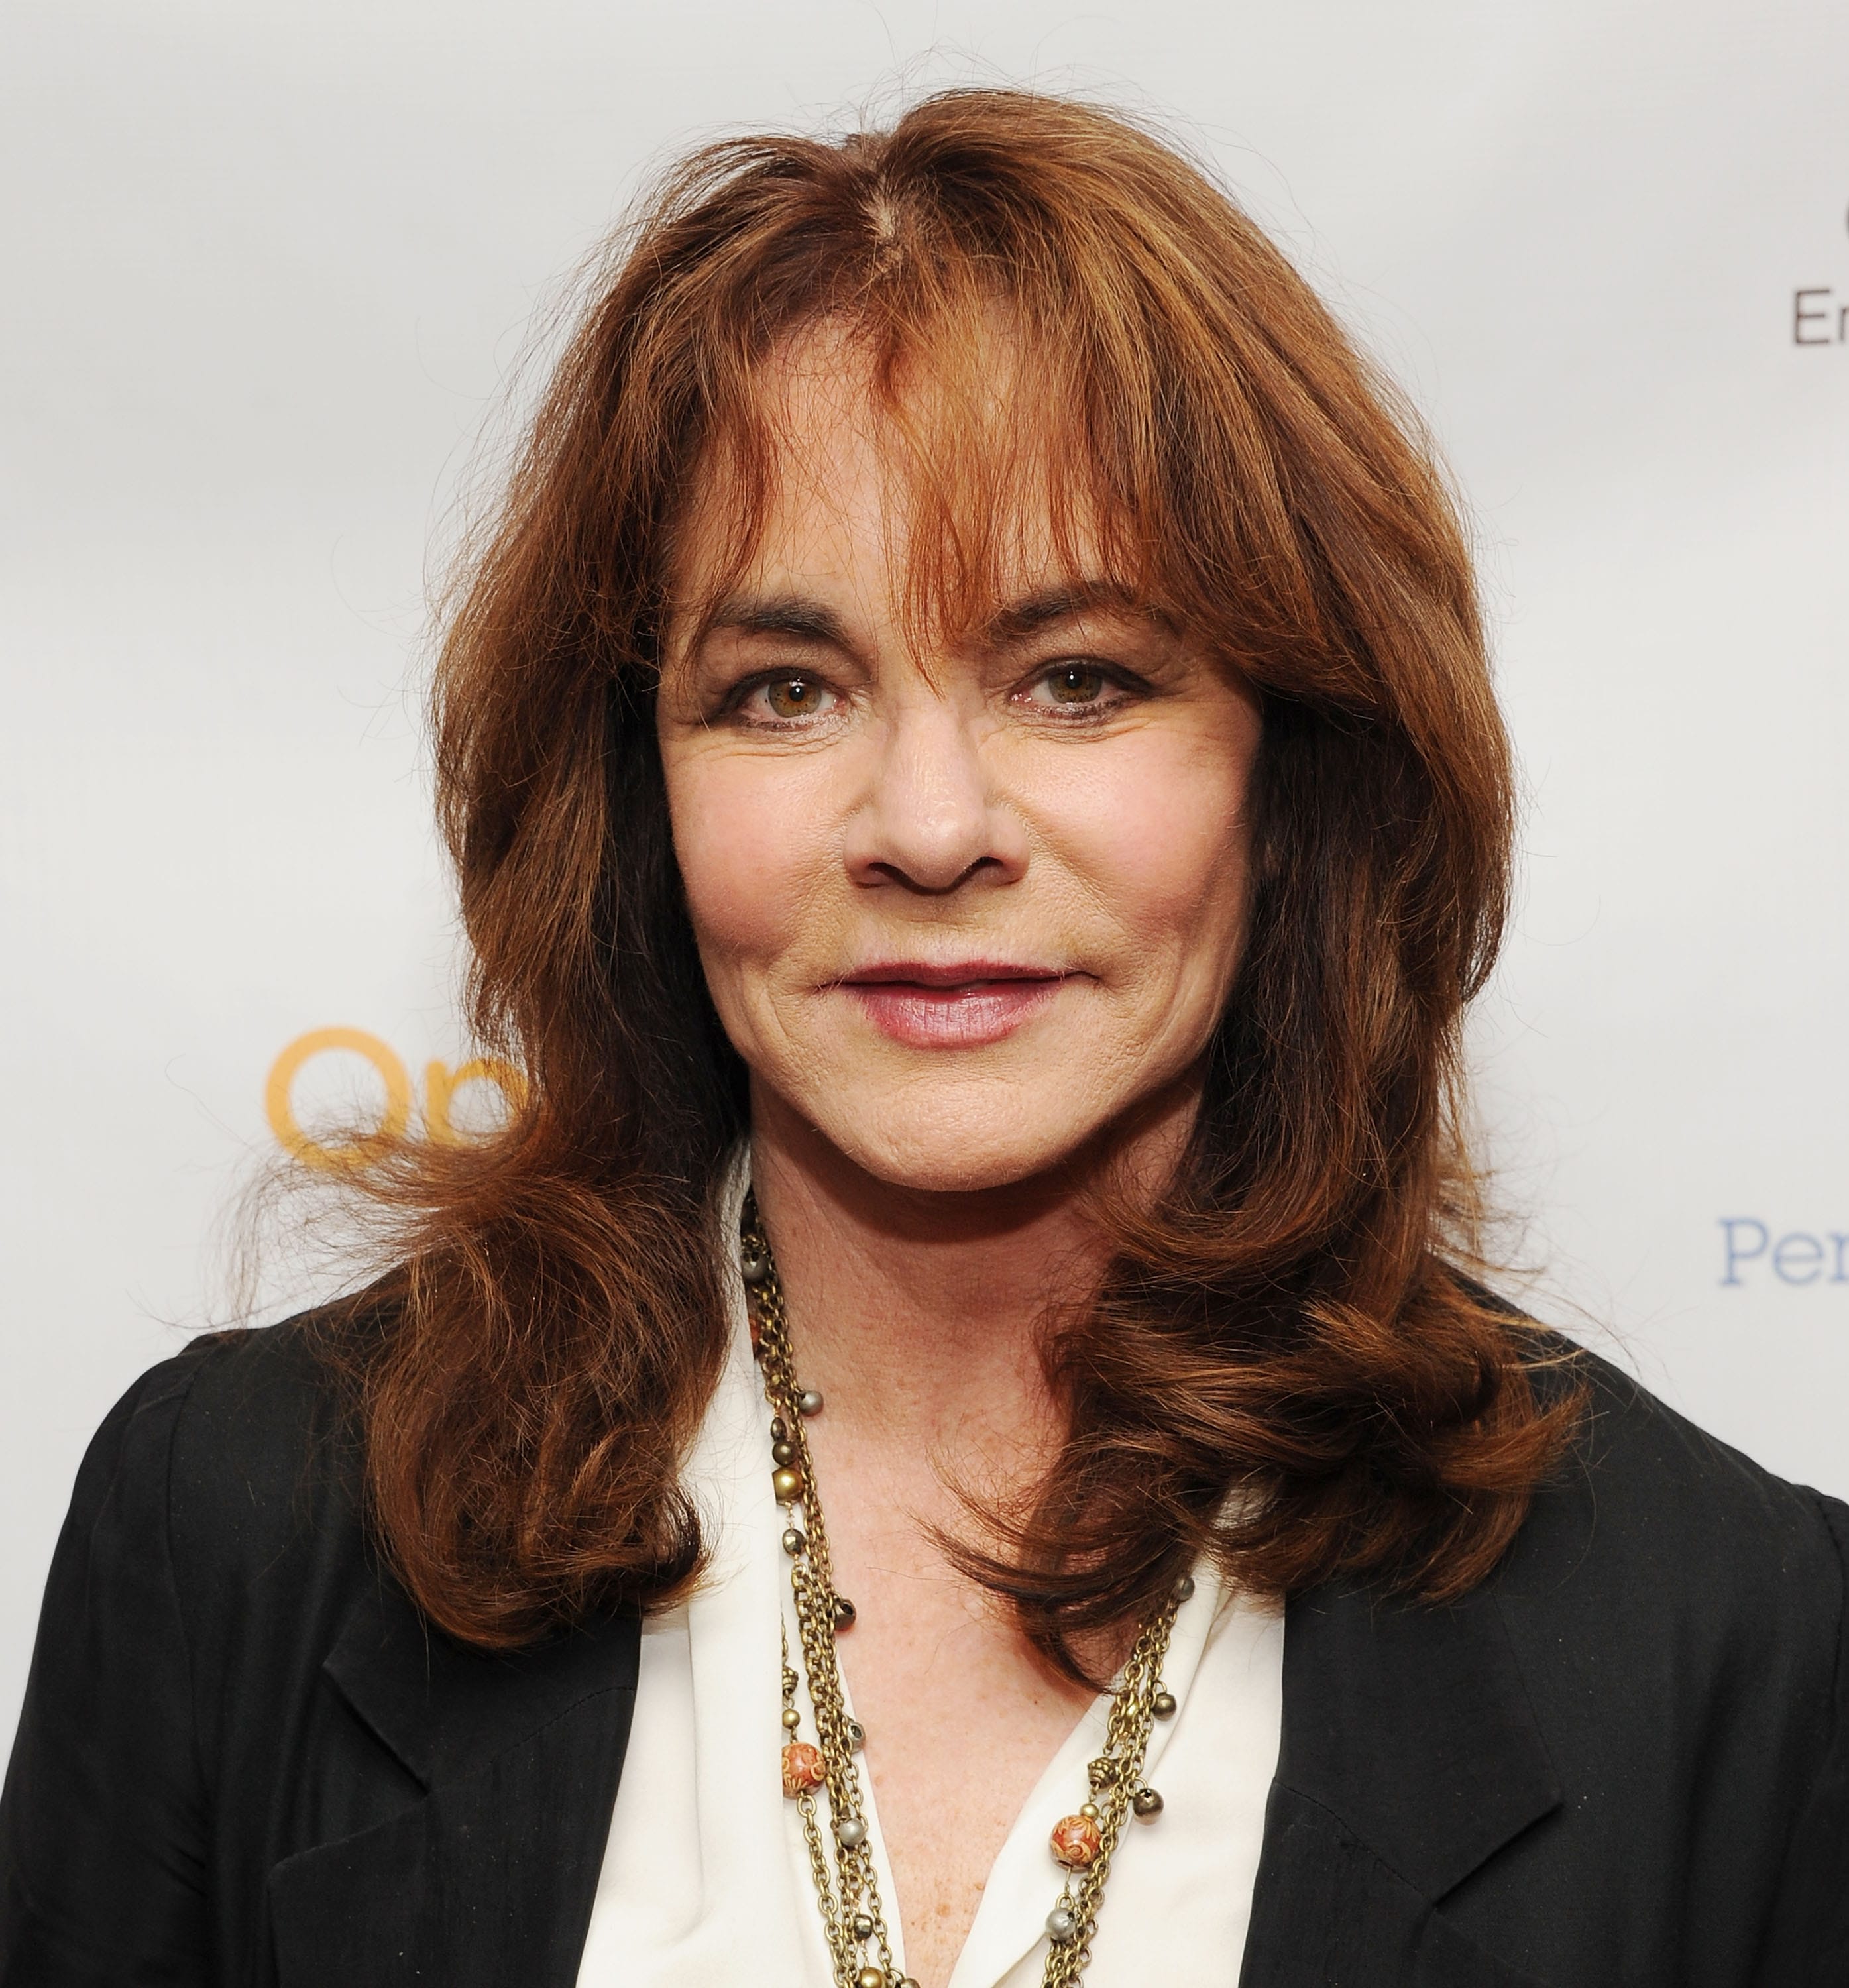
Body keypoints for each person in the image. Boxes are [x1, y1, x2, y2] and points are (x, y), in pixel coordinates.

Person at [1, 87, 1844, 1988]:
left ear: (1296, 772)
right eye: (786, 690)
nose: (931, 825)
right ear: (638, 794)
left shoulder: (1733, 1647)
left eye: (1078, 680)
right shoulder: (242, 1522)